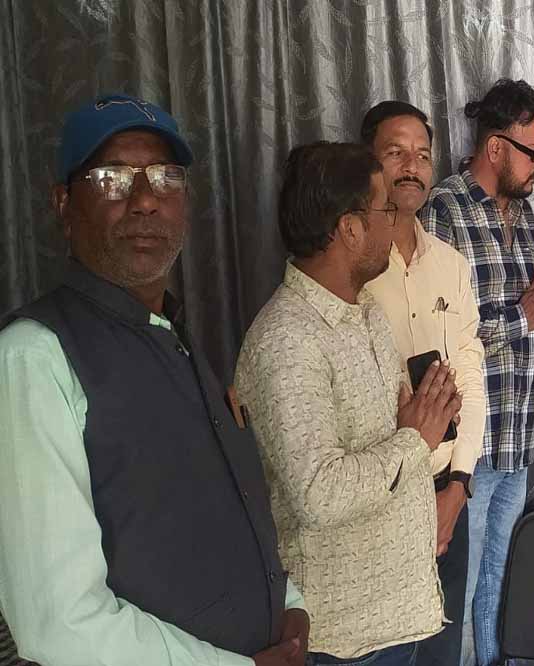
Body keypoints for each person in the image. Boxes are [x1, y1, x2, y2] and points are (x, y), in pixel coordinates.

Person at [0, 93, 308, 666]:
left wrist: (289, 603)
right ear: (64, 204)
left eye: (166, 177)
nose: (145, 199)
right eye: (113, 178)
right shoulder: (34, 357)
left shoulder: (174, 334)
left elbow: (210, 504)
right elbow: (57, 623)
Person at [235, 141, 462, 666]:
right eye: (386, 209)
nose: (396, 221)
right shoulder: (287, 339)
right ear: (351, 229)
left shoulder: (366, 313)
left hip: (396, 616)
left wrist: (425, 420)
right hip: (344, 639)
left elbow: (399, 437)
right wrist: (415, 439)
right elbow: (319, 493)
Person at [422, 79, 534, 666]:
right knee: (458, 590)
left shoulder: (527, 216)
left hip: (518, 437)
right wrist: (523, 318)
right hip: (470, 445)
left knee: (496, 582)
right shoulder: (444, 211)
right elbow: (438, 341)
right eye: (533, 151)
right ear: (495, 147)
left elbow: (528, 323)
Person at [361, 101, 487, 666]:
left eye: (422, 155)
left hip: (445, 496)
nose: (411, 166)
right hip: (377, 499)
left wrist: (458, 487)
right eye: (395, 153)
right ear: (366, 162)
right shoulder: (347, 265)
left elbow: (472, 380)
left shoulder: (450, 264)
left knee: (441, 653)